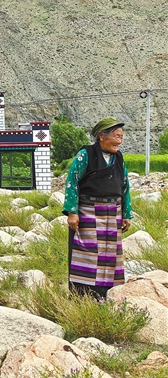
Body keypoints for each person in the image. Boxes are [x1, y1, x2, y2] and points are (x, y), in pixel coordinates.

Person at [63, 117, 133, 299]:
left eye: (121, 137)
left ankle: (108, 294)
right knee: (87, 253)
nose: (120, 141)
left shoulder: (119, 158)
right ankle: (83, 296)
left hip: (113, 213)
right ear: (102, 136)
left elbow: (125, 186)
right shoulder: (85, 155)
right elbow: (72, 182)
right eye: (116, 136)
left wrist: (126, 213)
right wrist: (72, 212)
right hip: (88, 212)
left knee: (110, 254)